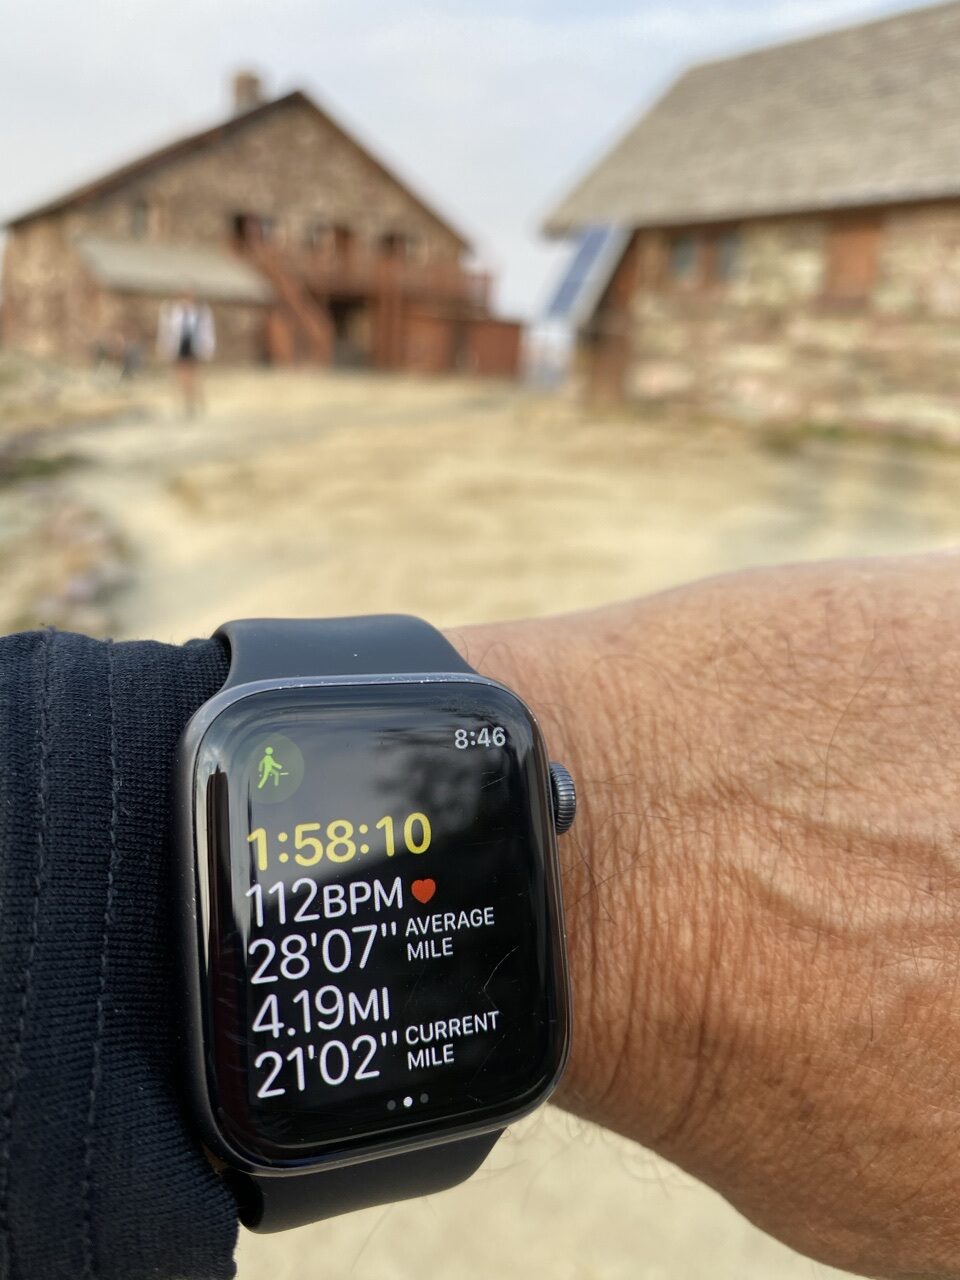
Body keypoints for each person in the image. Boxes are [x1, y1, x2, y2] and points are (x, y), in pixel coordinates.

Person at [156, 291, 215, 416]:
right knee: (181, 376)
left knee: (195, 376)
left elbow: (207, 331)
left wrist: (208, 348)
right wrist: (164, 348)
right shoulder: (173, 311)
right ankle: (184, 404)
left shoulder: (200, 312)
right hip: (179, 347)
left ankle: (195, 401)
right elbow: (166, 332)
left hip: (194, 346)